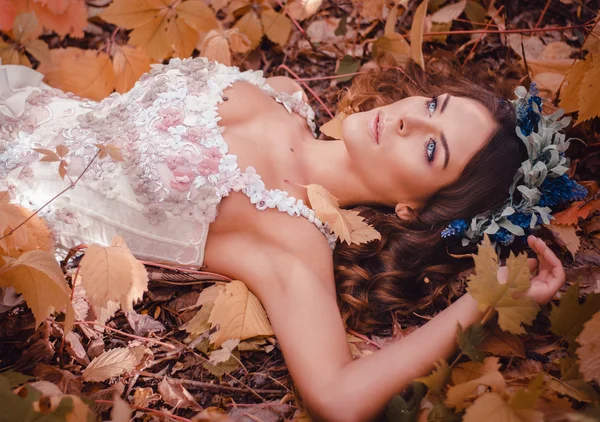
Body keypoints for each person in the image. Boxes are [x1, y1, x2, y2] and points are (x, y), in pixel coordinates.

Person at [0, 57, 574, 421]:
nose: (408, 120)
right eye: (432, 107)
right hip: (19, 101)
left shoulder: (291, 237)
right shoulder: (280, 95)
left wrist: (484, 299)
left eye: (430, 149)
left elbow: (338, 398)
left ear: (416, 208)